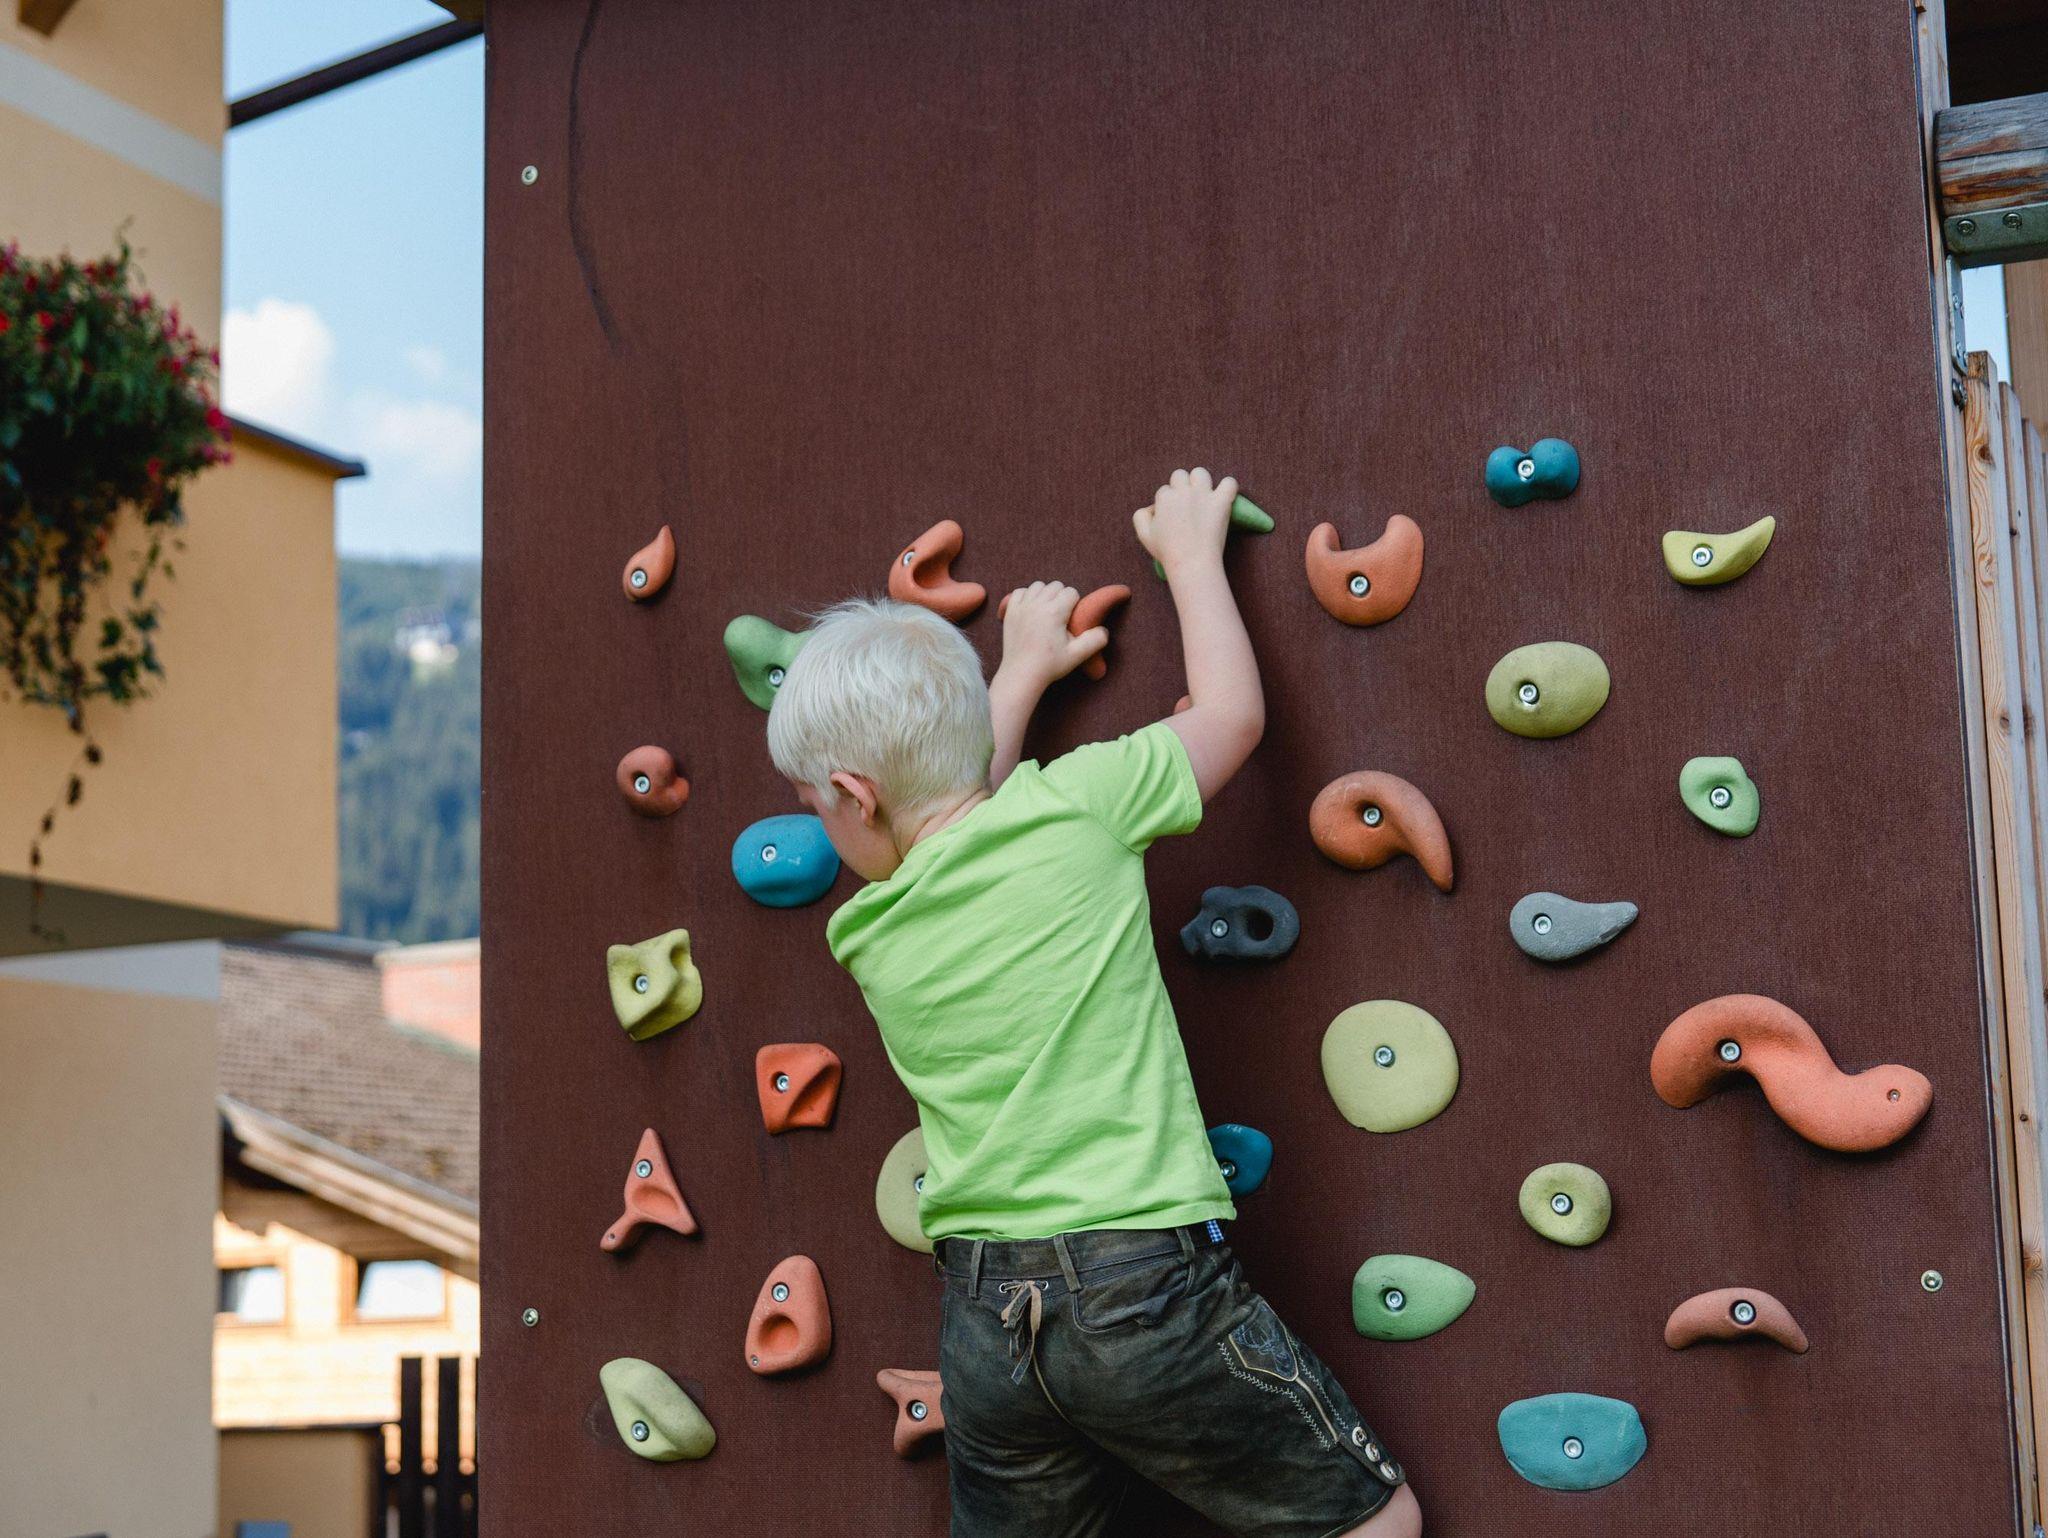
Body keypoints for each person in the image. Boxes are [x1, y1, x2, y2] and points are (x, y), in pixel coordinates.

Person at [766, 468, 1422, 1538]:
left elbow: (951, 823)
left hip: (986, 1325)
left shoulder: (868, 929)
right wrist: (1192, 559)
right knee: (1375, 1523)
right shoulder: (1080, 807)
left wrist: (1019, 676)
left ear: (851, 794)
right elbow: (1230, 717)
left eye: (813, 805)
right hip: (1140, 1291)